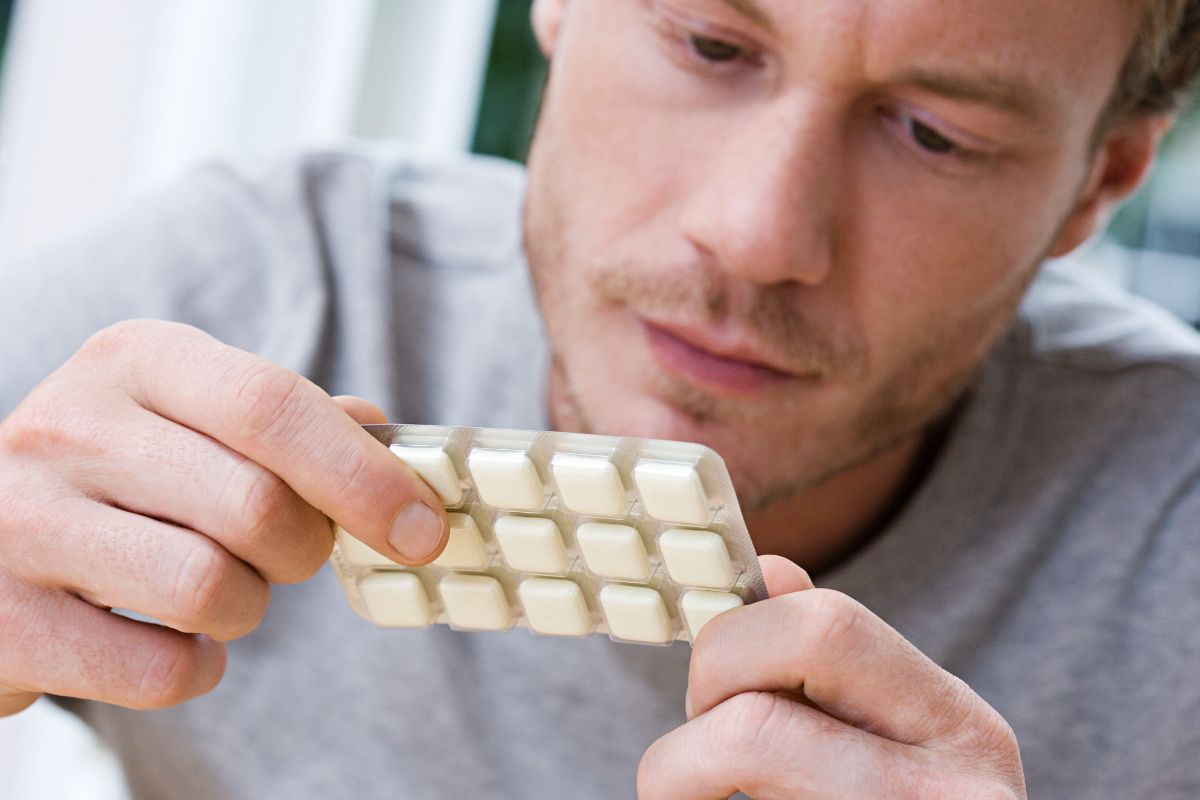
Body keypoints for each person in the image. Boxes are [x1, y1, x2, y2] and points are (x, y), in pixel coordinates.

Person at [1, 0, 1199, 796]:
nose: (755, 232)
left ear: (1101, 181)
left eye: (935, 134)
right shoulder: (248, 292)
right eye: (711, 46)